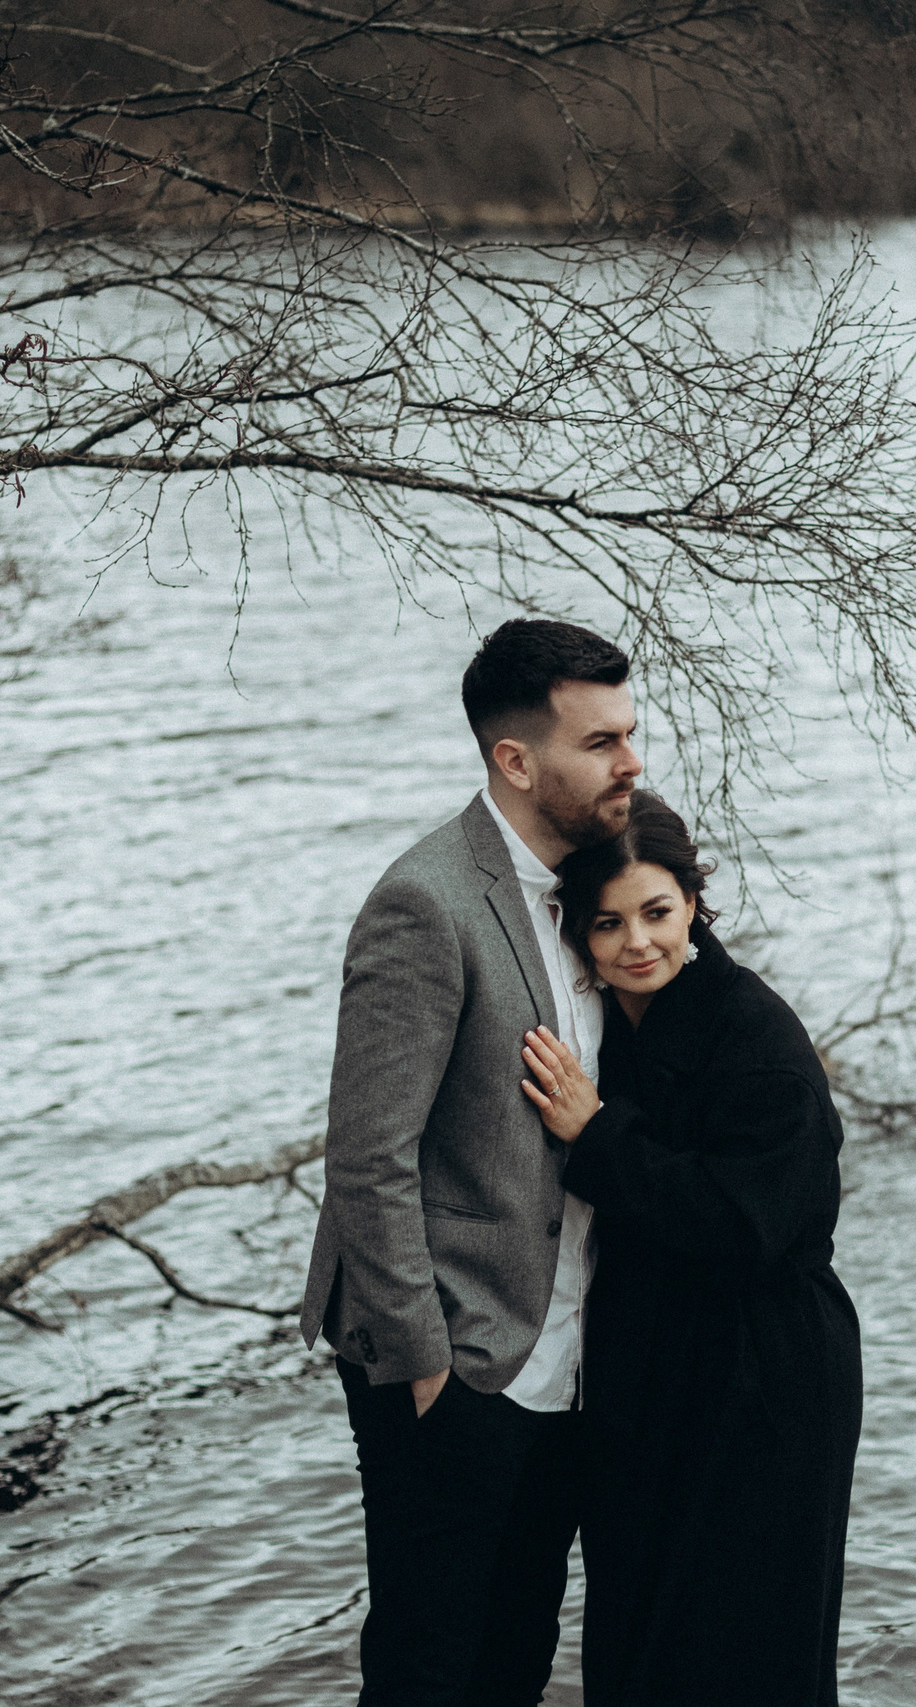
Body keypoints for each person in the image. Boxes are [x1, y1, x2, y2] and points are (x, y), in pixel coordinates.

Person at [297, 618, 641, 1705]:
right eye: (601, 743)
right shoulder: (427, 904)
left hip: (569, 1360)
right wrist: (425, 1366)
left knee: (518, 1656)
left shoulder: (608, 891)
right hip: (454, 1363)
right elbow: (365, 1159)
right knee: (428, 1667)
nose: (630, 761)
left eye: (630, 735)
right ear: (515, 759)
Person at [518, 791, 864, 1707]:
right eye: (608, 922)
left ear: (694, 906)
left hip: (765, 1384)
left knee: (746, 1653)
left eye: (658, 912)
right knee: (644, 1644)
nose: (638, 941)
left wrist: (597, 1141)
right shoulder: (614, 1031)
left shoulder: (756, 1039)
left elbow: (749, 1222)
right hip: (660, 1380)